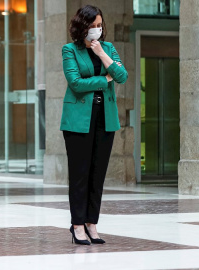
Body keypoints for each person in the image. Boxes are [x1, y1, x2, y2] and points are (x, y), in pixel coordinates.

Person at [61, 5, 128, 245]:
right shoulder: (70, 50)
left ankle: (92, 223)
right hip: (78, 120)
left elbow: (122, 76)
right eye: (92, 26)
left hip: (104, 118)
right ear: (82, 27)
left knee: (97, 175)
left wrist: (101, 54)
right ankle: (77, 225)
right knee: (80, 175)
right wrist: (104, 79)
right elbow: (76, 83)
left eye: (99, 25)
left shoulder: (108, 48)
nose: (96, 30)